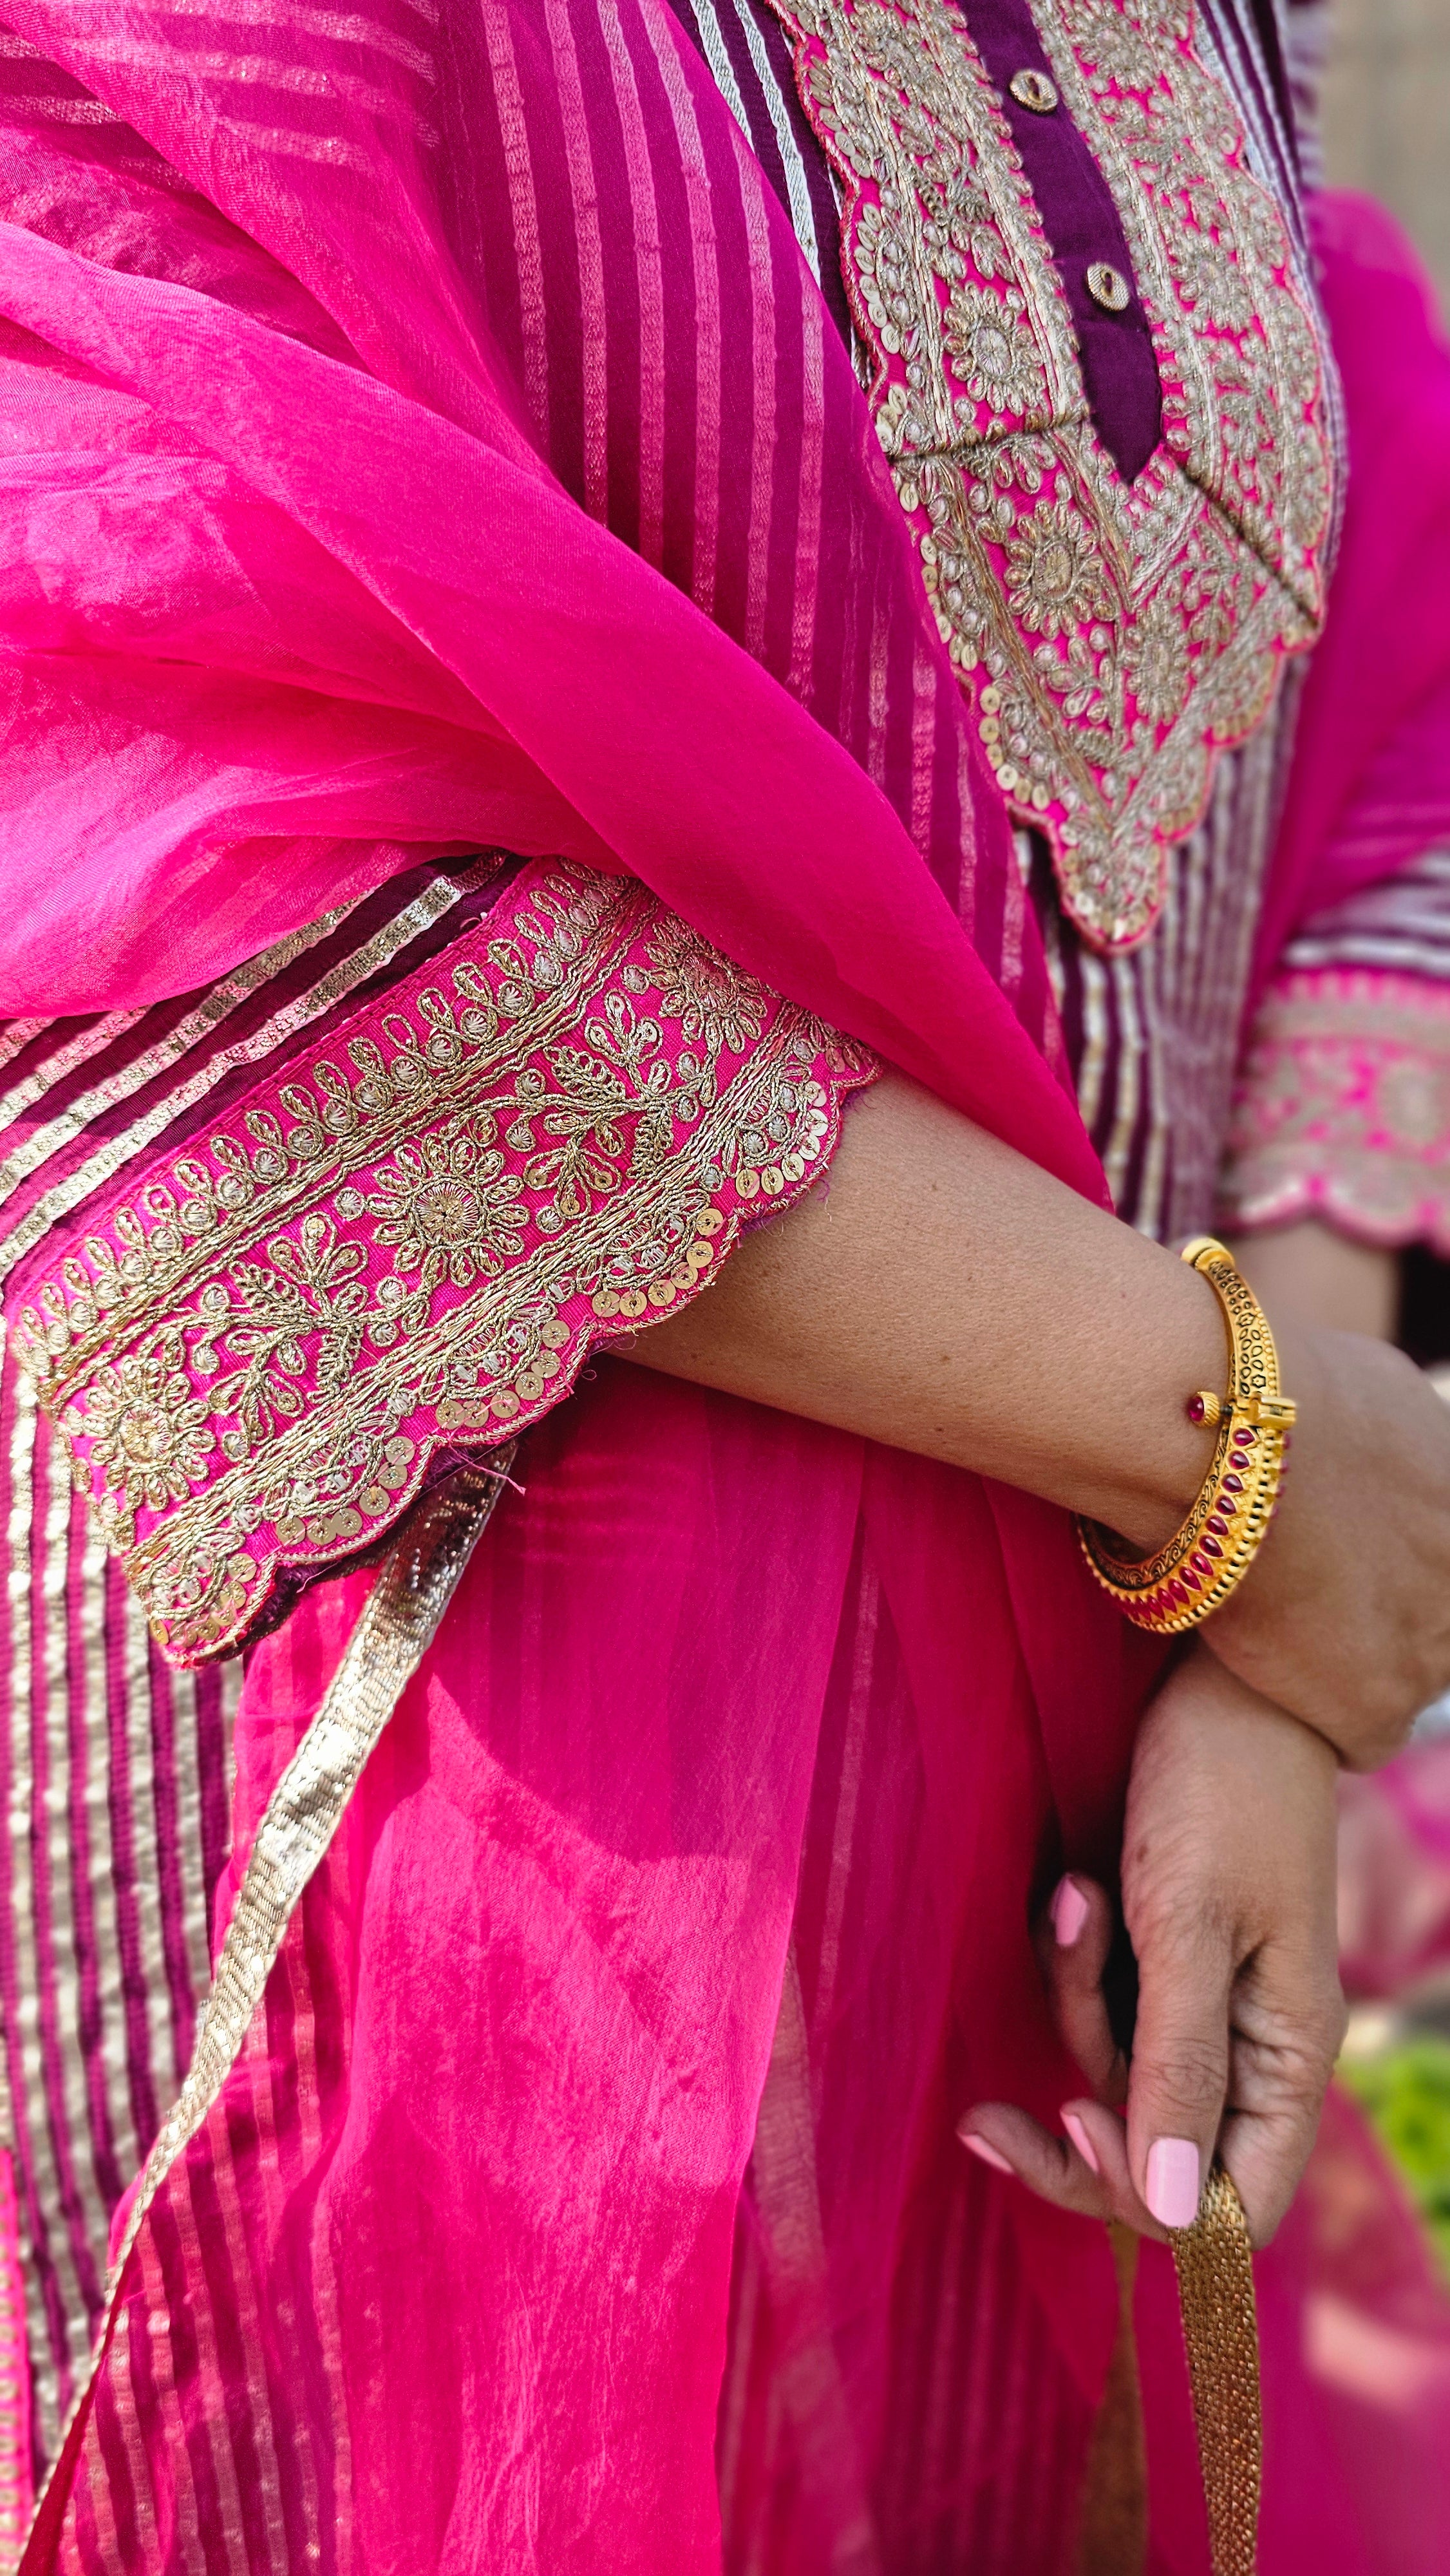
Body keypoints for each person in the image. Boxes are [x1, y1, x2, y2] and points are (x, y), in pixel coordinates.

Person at [1, 0, 1450, 2567]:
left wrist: (1267, 1638)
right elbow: (143, 722)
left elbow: (1356, 725)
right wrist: (1233, 1446)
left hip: (1067, 1876)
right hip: (438, 1916)